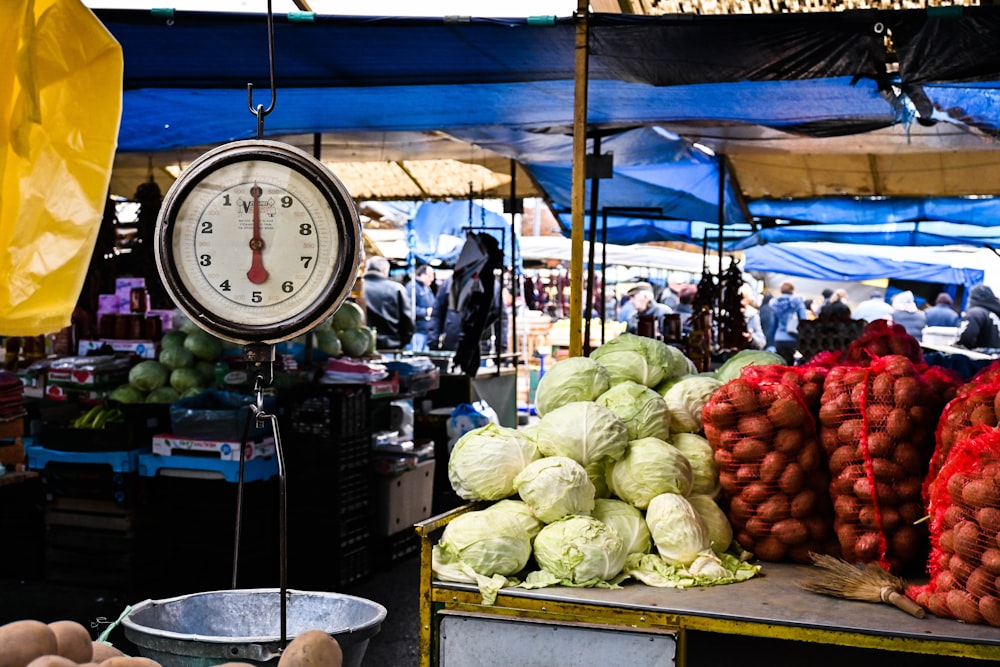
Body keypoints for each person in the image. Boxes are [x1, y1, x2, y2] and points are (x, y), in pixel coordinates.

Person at [361, 255, 414, 351]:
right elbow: (408, 322)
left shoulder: (355, 289)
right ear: (385, 270)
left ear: (366, 269)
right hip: (390, 347)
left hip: (359, 347)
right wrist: (401, 343)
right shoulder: (397, 289)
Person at [767, 281, 809, 365]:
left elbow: (772, 324)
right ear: (792, 290)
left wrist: (770, 341)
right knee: (792, 364)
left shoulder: (775, 304)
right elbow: (803, 321)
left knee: (781, 363)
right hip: (793, 337)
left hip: (778, 338)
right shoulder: (798, 303)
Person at [957, 284, 1000, 350]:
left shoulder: (975, 313)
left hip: (979, 357)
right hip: (995, 356)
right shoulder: (995, 313)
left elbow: (966, 339)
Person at [410, 264, 436, 352]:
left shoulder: (427, 288)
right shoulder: (412, 288)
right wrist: (426, 312)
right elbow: (409, 309)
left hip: (427, 331)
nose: (432, 279)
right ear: (422, 275)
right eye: (430, 276)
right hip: (417, 331)